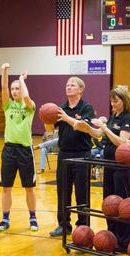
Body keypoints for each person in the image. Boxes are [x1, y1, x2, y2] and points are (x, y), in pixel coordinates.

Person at [74, 85, 130, 251]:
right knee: (109, 204)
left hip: (122, 167)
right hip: (108, 165)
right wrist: (86, 127)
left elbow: (121, 142)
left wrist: (105, 128)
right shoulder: (113, 116)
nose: (112, 104)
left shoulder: (128, 118)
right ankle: (113, 238)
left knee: (123, 205)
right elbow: (98, 135)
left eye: (115, 101)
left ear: (124, 101)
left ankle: (125, 241)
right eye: (111, 101)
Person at [49, 76, 96, 237]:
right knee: (63, 191)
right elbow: (50, 129)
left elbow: (84, 127)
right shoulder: (60, 108)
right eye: (67, 85)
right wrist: (46, 116)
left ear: (80, 89)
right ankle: (63, 225)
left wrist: (67, 118)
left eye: (72, 85)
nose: (68, 87)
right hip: (64, 155)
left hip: (82, 155)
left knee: (82, 192)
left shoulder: (86, 108)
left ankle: (83, 226)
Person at [0, 63, 38, 232]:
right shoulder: (7, 105)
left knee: (29, 187)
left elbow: (27, 97)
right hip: (8, 150)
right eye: (13, 89)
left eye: (17, 88)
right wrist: (4, 70)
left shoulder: (30, 106)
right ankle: (5, 218)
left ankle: (33, 218)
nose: (14, 91)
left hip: (25, 150)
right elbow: (4, 87)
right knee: (6, 187)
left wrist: (22, 79)